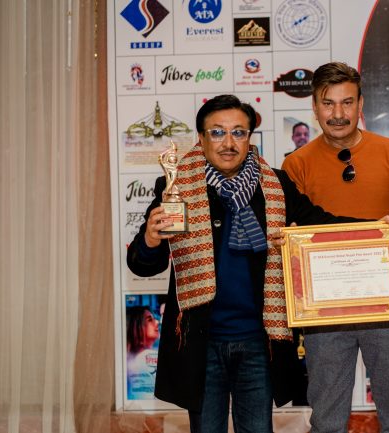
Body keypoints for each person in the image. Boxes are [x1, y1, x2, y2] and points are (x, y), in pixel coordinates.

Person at [127, 94, 364, 433]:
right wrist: (151, 240)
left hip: (258, 342)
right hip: (201, 344)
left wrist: (379, 231)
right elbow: (142, 265)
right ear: (201, 138)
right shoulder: (175, 186)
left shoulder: (276, 186)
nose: (228, 142)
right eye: (217, 132)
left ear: (249, 138)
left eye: (238, 132)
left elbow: (322, 224)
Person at [282, 62, 389, 433]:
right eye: (328, 103)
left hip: (388, 307)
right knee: (327, 418)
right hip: (324, 313)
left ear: (361, 104)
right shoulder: (295, 165)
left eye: (347, 102)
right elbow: (290, 235)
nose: (338, 113)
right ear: (314, 108)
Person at [126, 306, 160, 400]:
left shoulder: (129, 359)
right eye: (150, 320)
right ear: (136, 327)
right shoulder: (147, 356)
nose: (157, 322)